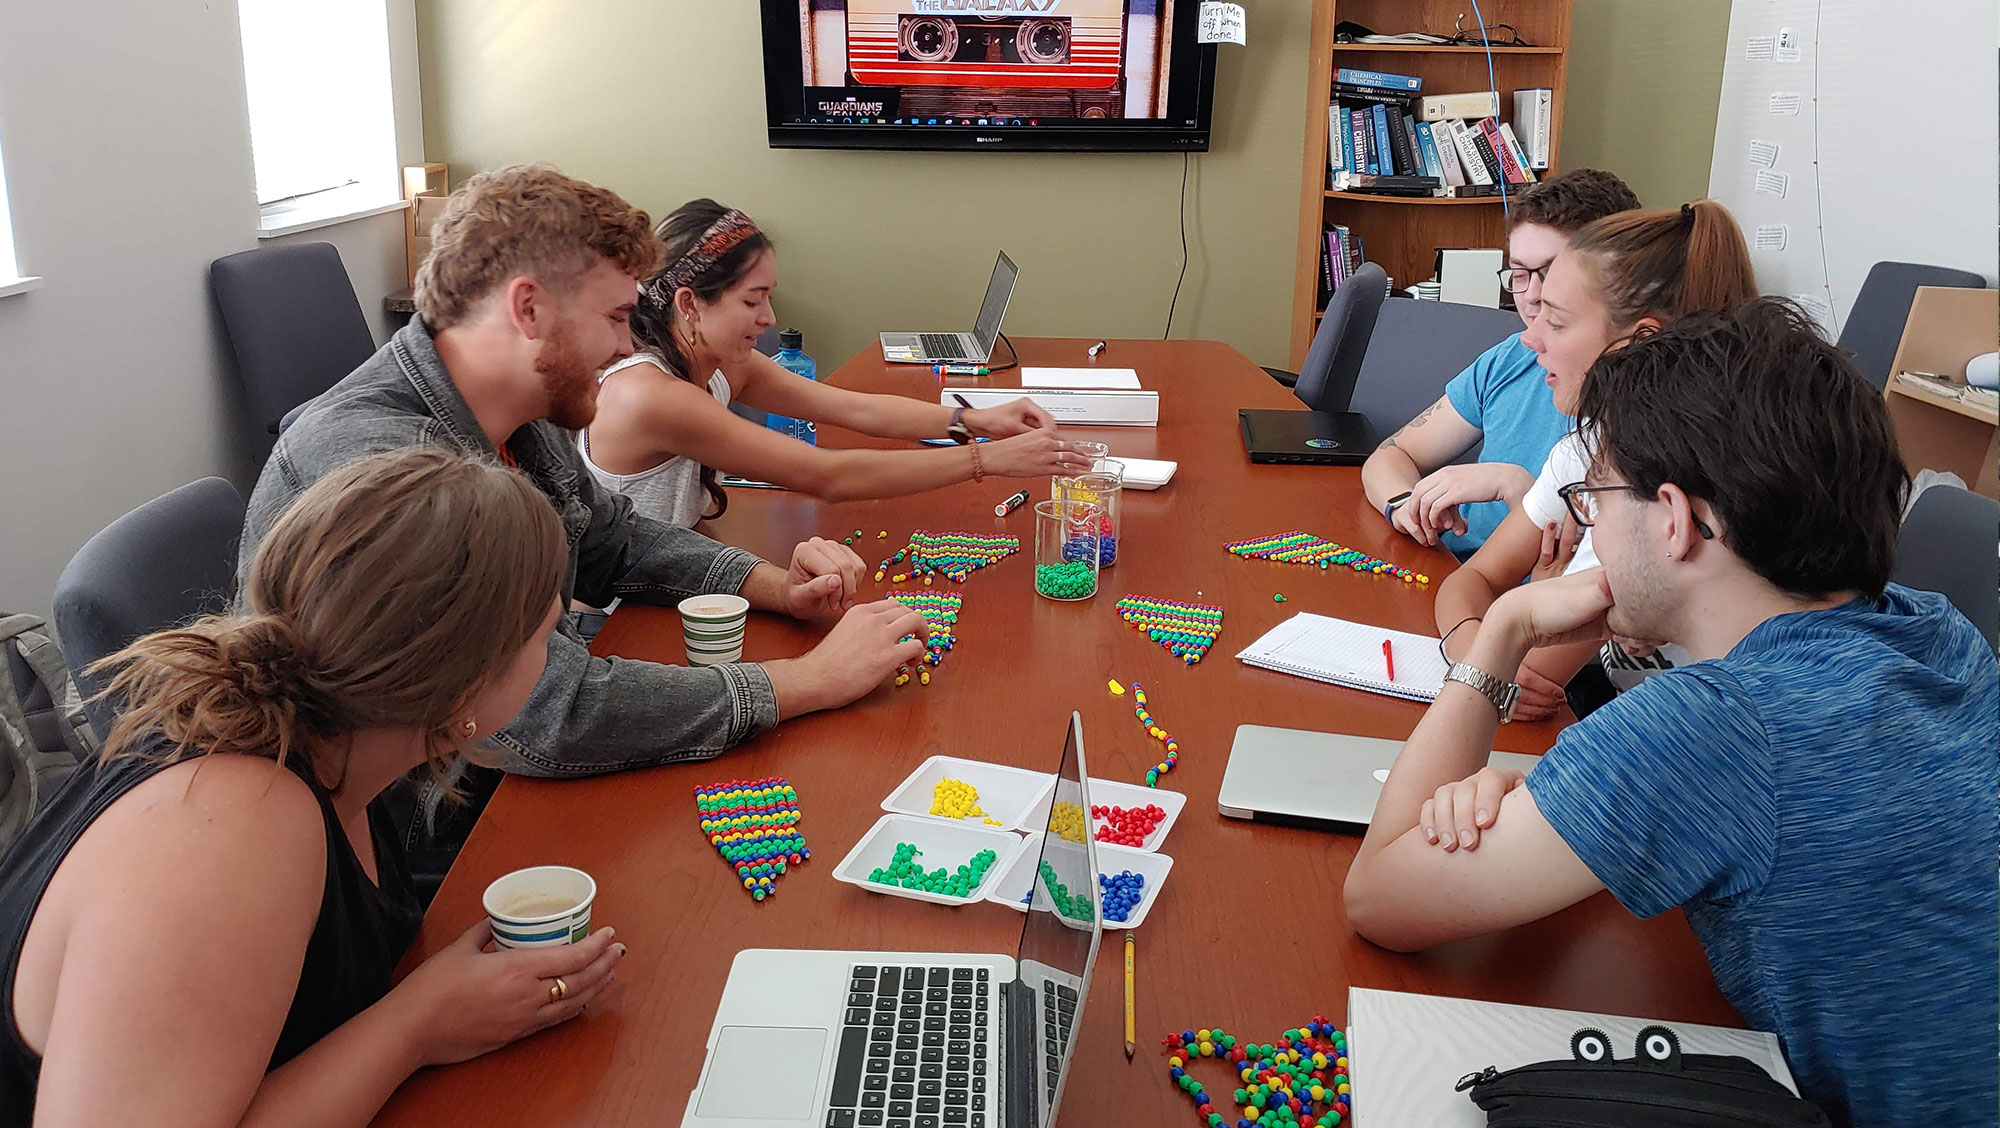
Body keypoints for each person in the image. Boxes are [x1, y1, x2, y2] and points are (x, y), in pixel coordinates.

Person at [1343, 300, 1999, 1127]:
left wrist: (1504, 628)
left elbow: (1379, 900)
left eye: (1596, 498)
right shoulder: (1935, 629)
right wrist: (1554, 791)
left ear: (1676, 521)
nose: (1587, 525)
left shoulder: (1717, 724)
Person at [242, 165, 933, 880]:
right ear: (529, 309)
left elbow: (615, 538)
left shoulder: (513, 409)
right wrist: (810, 680)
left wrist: (775, 585)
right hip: (402, 837)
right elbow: (550, 714)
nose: (626, 348)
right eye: (612, 319)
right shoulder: (389, 473)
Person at [2, 448, 630, 1125]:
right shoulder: (229, 827)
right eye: (549, 635)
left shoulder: (338, 743)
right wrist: (418, 1023)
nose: (560, 650)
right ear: (465, 690)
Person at [1433, 200, 1757, 719]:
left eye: (1556, 323)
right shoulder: (1587, 449)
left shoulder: (1636, 490)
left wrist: (1494, 642)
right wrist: (1476, 647)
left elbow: (1530, 677)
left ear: (1639, 342)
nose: (1529, 337)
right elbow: (1470, 584)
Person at [581, 200, 1090, 527]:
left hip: (675, 582)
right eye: (752, 300)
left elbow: (852, 409)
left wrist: (974, 419)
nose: (769, 317)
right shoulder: (651, 395)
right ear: (690, 304)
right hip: (616, 620)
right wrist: (989, 460)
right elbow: (830, 477)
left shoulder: (720, 363)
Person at [1361, 169, 1641, 555]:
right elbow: (1393, 454)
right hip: (1454, 575)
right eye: (1520, 273)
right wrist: (1405, 506)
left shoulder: (1645, 402)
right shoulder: (1513, 357)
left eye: (1552, 271)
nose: (1532, 295)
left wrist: (1515, 490)